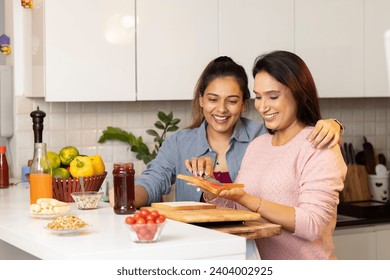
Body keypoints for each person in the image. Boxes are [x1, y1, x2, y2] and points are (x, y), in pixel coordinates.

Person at [110, 56, 343, 208]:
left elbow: (300, 136)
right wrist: (125, 197)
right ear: (201, 100)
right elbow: (152, 182)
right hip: (199, 245)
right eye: (212, 99)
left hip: (256, 245)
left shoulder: (263, 136)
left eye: (232, 101)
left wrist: (334, 124)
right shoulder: (179, 143)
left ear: (244, 104)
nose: (221, 109)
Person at [196, 51, 347, 260]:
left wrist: (250, 200)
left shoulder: (318, 145)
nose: (263, 106)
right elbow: (240, 209)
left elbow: (313, 224)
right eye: (258, 97)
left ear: (300, 94)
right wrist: (213, 190)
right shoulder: (258, 145)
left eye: (273, 96)